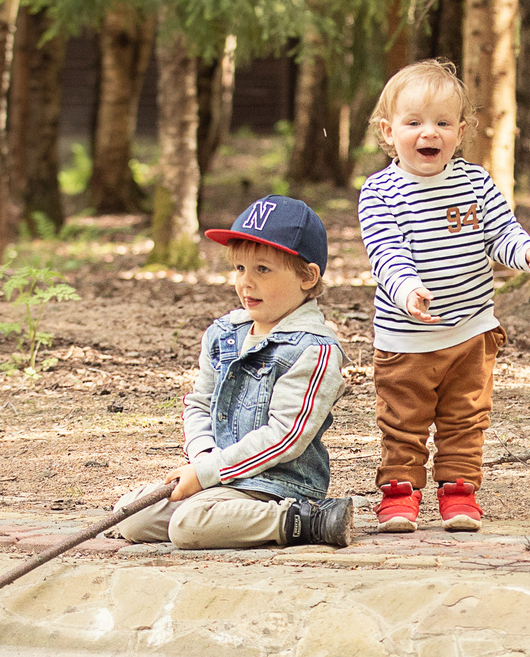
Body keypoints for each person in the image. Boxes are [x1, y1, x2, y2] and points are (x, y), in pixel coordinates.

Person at [357, 58, 530, 533]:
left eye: (443, 123)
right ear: (388, 132)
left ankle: (459, 492)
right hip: (407, 341)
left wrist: (527, 252)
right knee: (402, 422)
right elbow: (385, 252)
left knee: (466, 419)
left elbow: (502, 234)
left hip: (471, 333)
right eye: (414, 123)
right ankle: (399, 495)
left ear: (460, 132)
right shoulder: (380, 192)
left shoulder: (475, 184)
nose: (430, 133)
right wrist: (408, 289)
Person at [115, 194, 356, 549]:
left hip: (277, 485)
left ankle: (306, 520)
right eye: (239, 268)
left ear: (307, 276)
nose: (246, 282)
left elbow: (285, 437)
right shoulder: (224, 334)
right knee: (131, 516)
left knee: (188, 525)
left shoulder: (314, 349)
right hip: (221, 475)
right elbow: (199, 404)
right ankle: (222, 515)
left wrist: (208, 473)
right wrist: (202, 459)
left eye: (263, 270)